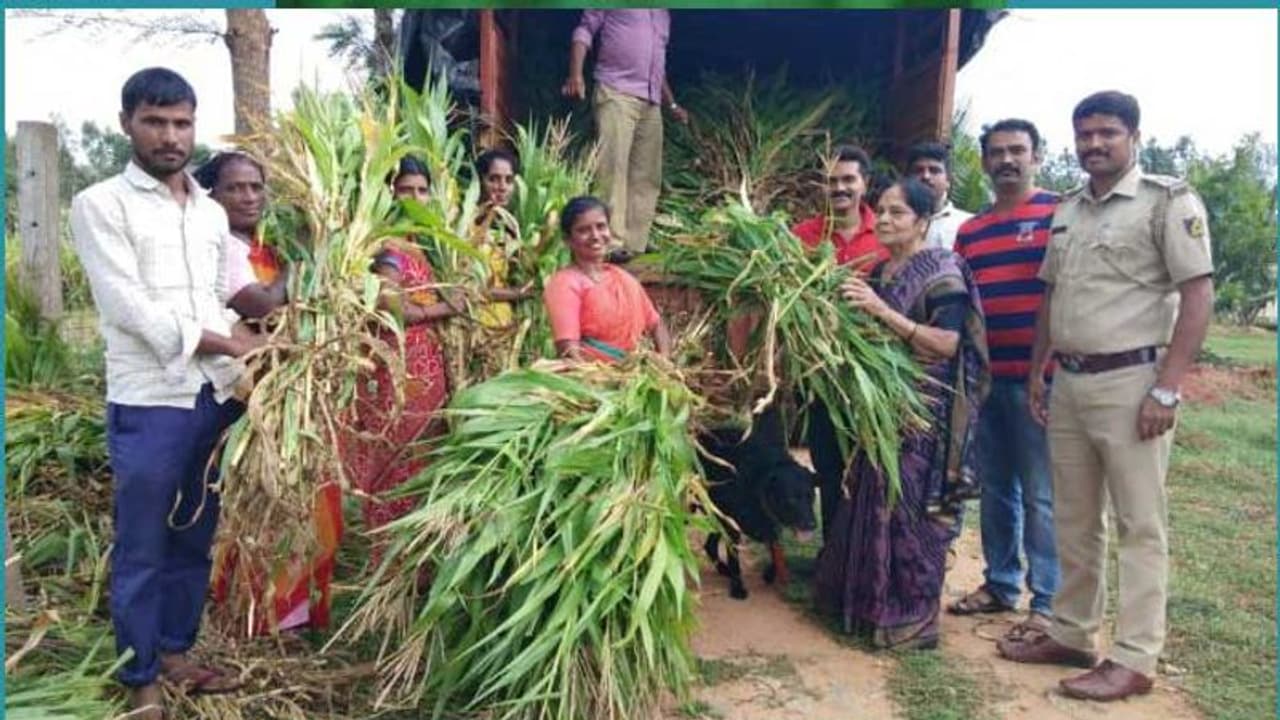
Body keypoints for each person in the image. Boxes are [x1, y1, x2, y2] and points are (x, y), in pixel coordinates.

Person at [997, 91, 1214, 703]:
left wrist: (1167, 388)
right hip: (1069, 382)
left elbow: (1198, 294)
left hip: (1133, 382)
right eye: (1085, 134)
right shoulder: (1068, 209)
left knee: (1139, 523)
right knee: (1074, 516)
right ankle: (1072, 632)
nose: (1094, 144)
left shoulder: (1166, 201)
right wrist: (1039, 370)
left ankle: (1136, 656)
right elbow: (1052, 295)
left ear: (1134, 137)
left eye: (1107, 133)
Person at [70, 67, 261, 719]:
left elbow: (210, 296)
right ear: (126, 122)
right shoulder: (101, 204)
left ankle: (176, 650)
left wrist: (252, 345)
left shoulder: (208, 212)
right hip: (150, 399)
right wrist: (228, 342)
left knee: (193, 533)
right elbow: (128, 306)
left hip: (213, 396)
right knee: (143, 544)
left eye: (182, 123)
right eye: (155, 121)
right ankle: (140, 678)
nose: (170, 136)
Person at [813, 177, 990, 651]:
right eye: (883, 211)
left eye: (898, 213)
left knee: (913, 512)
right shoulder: (877, 272)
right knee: (875, 503)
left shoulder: (943, 273)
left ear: (923, 221)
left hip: (925, 415)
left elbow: (946, 343)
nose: (885, 220)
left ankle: (913, 618)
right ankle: (869, 606)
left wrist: (883, 313)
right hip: (882, 414)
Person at [195, 151, 344, 636]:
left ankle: (297, 610)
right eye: (235, 187)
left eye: (256, 186)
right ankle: (258, 613)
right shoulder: (222, 247)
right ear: (212, 194)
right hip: (252, 395)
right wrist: (302, 263)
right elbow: (259, 304)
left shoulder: (267, 245)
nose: (248, 196)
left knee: (308, 495)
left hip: (292, 385)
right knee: (265, 497)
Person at [948, 119, 1060, 636]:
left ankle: (1048, 601)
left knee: (1041, 494)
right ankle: (1000, 583)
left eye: (1018, 150)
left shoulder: (1059, 214)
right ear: (984, 162)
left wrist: (1045, 370)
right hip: (985, 382)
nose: (1007, 160)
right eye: (997, 152)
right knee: (995, 489)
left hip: (1042, 381)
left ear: (1037, 155)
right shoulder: (971, 231)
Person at [344, 156, 462, 544]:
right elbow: (391, 304)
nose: (414, 198)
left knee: (423, 453)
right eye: (405, 189)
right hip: (397, 369)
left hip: (427, 367)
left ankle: (414, 551)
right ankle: (387, 549)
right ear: (390, 194)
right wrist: (446, 308)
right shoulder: (387, 248)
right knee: (397, 456)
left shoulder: (421, 246)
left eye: (422, 190)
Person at [790, 145, 890, 541]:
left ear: (865, 183)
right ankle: (832, 552)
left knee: (870, 466)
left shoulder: (886, 233)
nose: (839, 188)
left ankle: (866, 554)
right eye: (831, 181)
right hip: (821, 374)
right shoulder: (802, 236)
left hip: (876, 373)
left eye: (848, 179)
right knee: (829, 465)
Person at [561, 10, 689, 262]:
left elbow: (657, 67)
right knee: (613, 168)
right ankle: (610, 242)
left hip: (650, 101)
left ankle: (635, 243)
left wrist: (672, 104)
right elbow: (584, 30)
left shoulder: (662, 14)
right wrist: (575, 74)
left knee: (647, 175)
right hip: (616, 91)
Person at [543, 195, 672, 362]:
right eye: (583, 230)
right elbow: (568, 350)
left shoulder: (623, 278)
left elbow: (657, 324)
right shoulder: (565, 284)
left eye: (601, 226)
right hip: (589, 374)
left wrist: (664, 361)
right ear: (568, 240)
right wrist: (596, 374)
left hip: (633, 371)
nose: (595, 235)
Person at [470, 148, 533, 329]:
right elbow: (472, 288)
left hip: (506, 324)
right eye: (493, 179)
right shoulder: (466, 227)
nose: (502, 187)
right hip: (474, 323)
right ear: (479, 181)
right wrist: (520, 293)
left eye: (509, 180)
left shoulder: (512, 230)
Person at [907, 141, 974, 251]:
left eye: (934, 170)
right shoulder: (893, 223)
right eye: (918, 170)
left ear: (948, 181)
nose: (926, 176)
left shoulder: (967, 224)